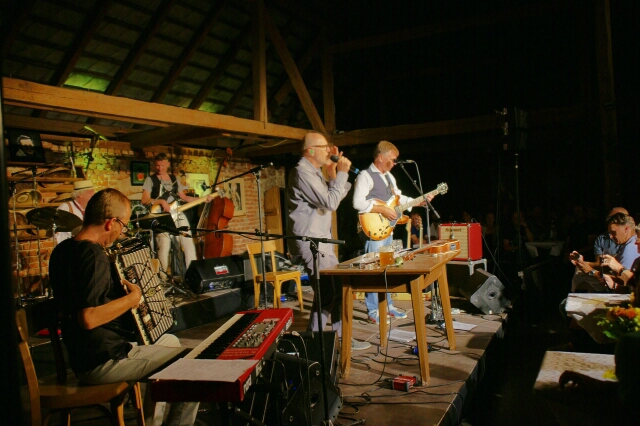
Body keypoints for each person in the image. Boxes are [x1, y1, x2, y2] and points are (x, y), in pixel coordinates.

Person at [49, 188, 199, 426]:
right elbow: (88, 318)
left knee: (169, 341)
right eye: (123, 225)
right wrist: (132, 299)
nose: (122, 232)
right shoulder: (94, 256)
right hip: (103, 361)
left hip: (82, 355)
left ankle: (151, 423)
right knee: (193, 364)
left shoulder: (62, 250)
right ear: (111, 223)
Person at [286, 132, 371, 351]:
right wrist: (341, 173)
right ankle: (313, 341)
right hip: (311, 242)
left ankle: (339, 339)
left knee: (336, 290)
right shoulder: (301, 172)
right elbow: (330, 203)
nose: (328, 150)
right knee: (326, 293)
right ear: (310, 150)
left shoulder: (314, 173)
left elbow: (334, 197)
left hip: (322, 241)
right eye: (324, 147)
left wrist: (334, 175)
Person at [352, 140, 431, 324]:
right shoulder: (365, 175)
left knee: (387, 267)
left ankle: (388, 306)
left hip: (388, 228)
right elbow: (357, 202)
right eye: (392, 159)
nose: (395, 163)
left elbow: (398, 198)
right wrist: (382, 209)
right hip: (374, 228)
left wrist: (417, 201)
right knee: (374, 268)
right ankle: (374, 311)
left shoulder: (389, 177)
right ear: (380, 157)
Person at [141, 153, 213, 274]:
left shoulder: (174, 179)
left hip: (177, 213)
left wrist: (202, 199)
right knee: (164, 248)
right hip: (161, 215)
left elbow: (184, 197)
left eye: (162, 165)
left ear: (168, 164)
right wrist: (161, 201)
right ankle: (163, 278)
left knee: (189, 243)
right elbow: (144, 200)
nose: (160, 168)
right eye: (157, 165)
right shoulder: (150, 179)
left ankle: (192, 274)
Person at [571, 211, 638, 293]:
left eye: (613, 232)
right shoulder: (627, 245)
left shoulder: (630, 248)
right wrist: (584, 264)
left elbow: (625, 282)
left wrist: (592, 272)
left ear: (626, 229)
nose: (611, 236)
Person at [54, 180, 95, 244]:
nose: (93, 195)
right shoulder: (66, 208)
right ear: (80, 194)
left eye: (93, 192)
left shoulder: (91, 209)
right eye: (90, 193)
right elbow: (56, 232)